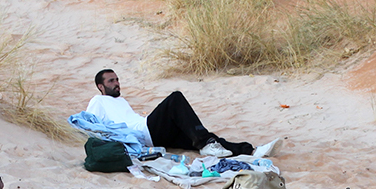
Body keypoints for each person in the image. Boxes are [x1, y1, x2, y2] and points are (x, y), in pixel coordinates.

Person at [87, 69, 253, 157]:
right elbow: (89, 125)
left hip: (154, 135)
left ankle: (245, 149)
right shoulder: (97, 101)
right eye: (111, 81)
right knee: (175, 98)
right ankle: (205, 143)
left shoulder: (120, 100)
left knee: (193, 136)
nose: (117, 83)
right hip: (144, 132)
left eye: (117, 80)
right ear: (101, 87)